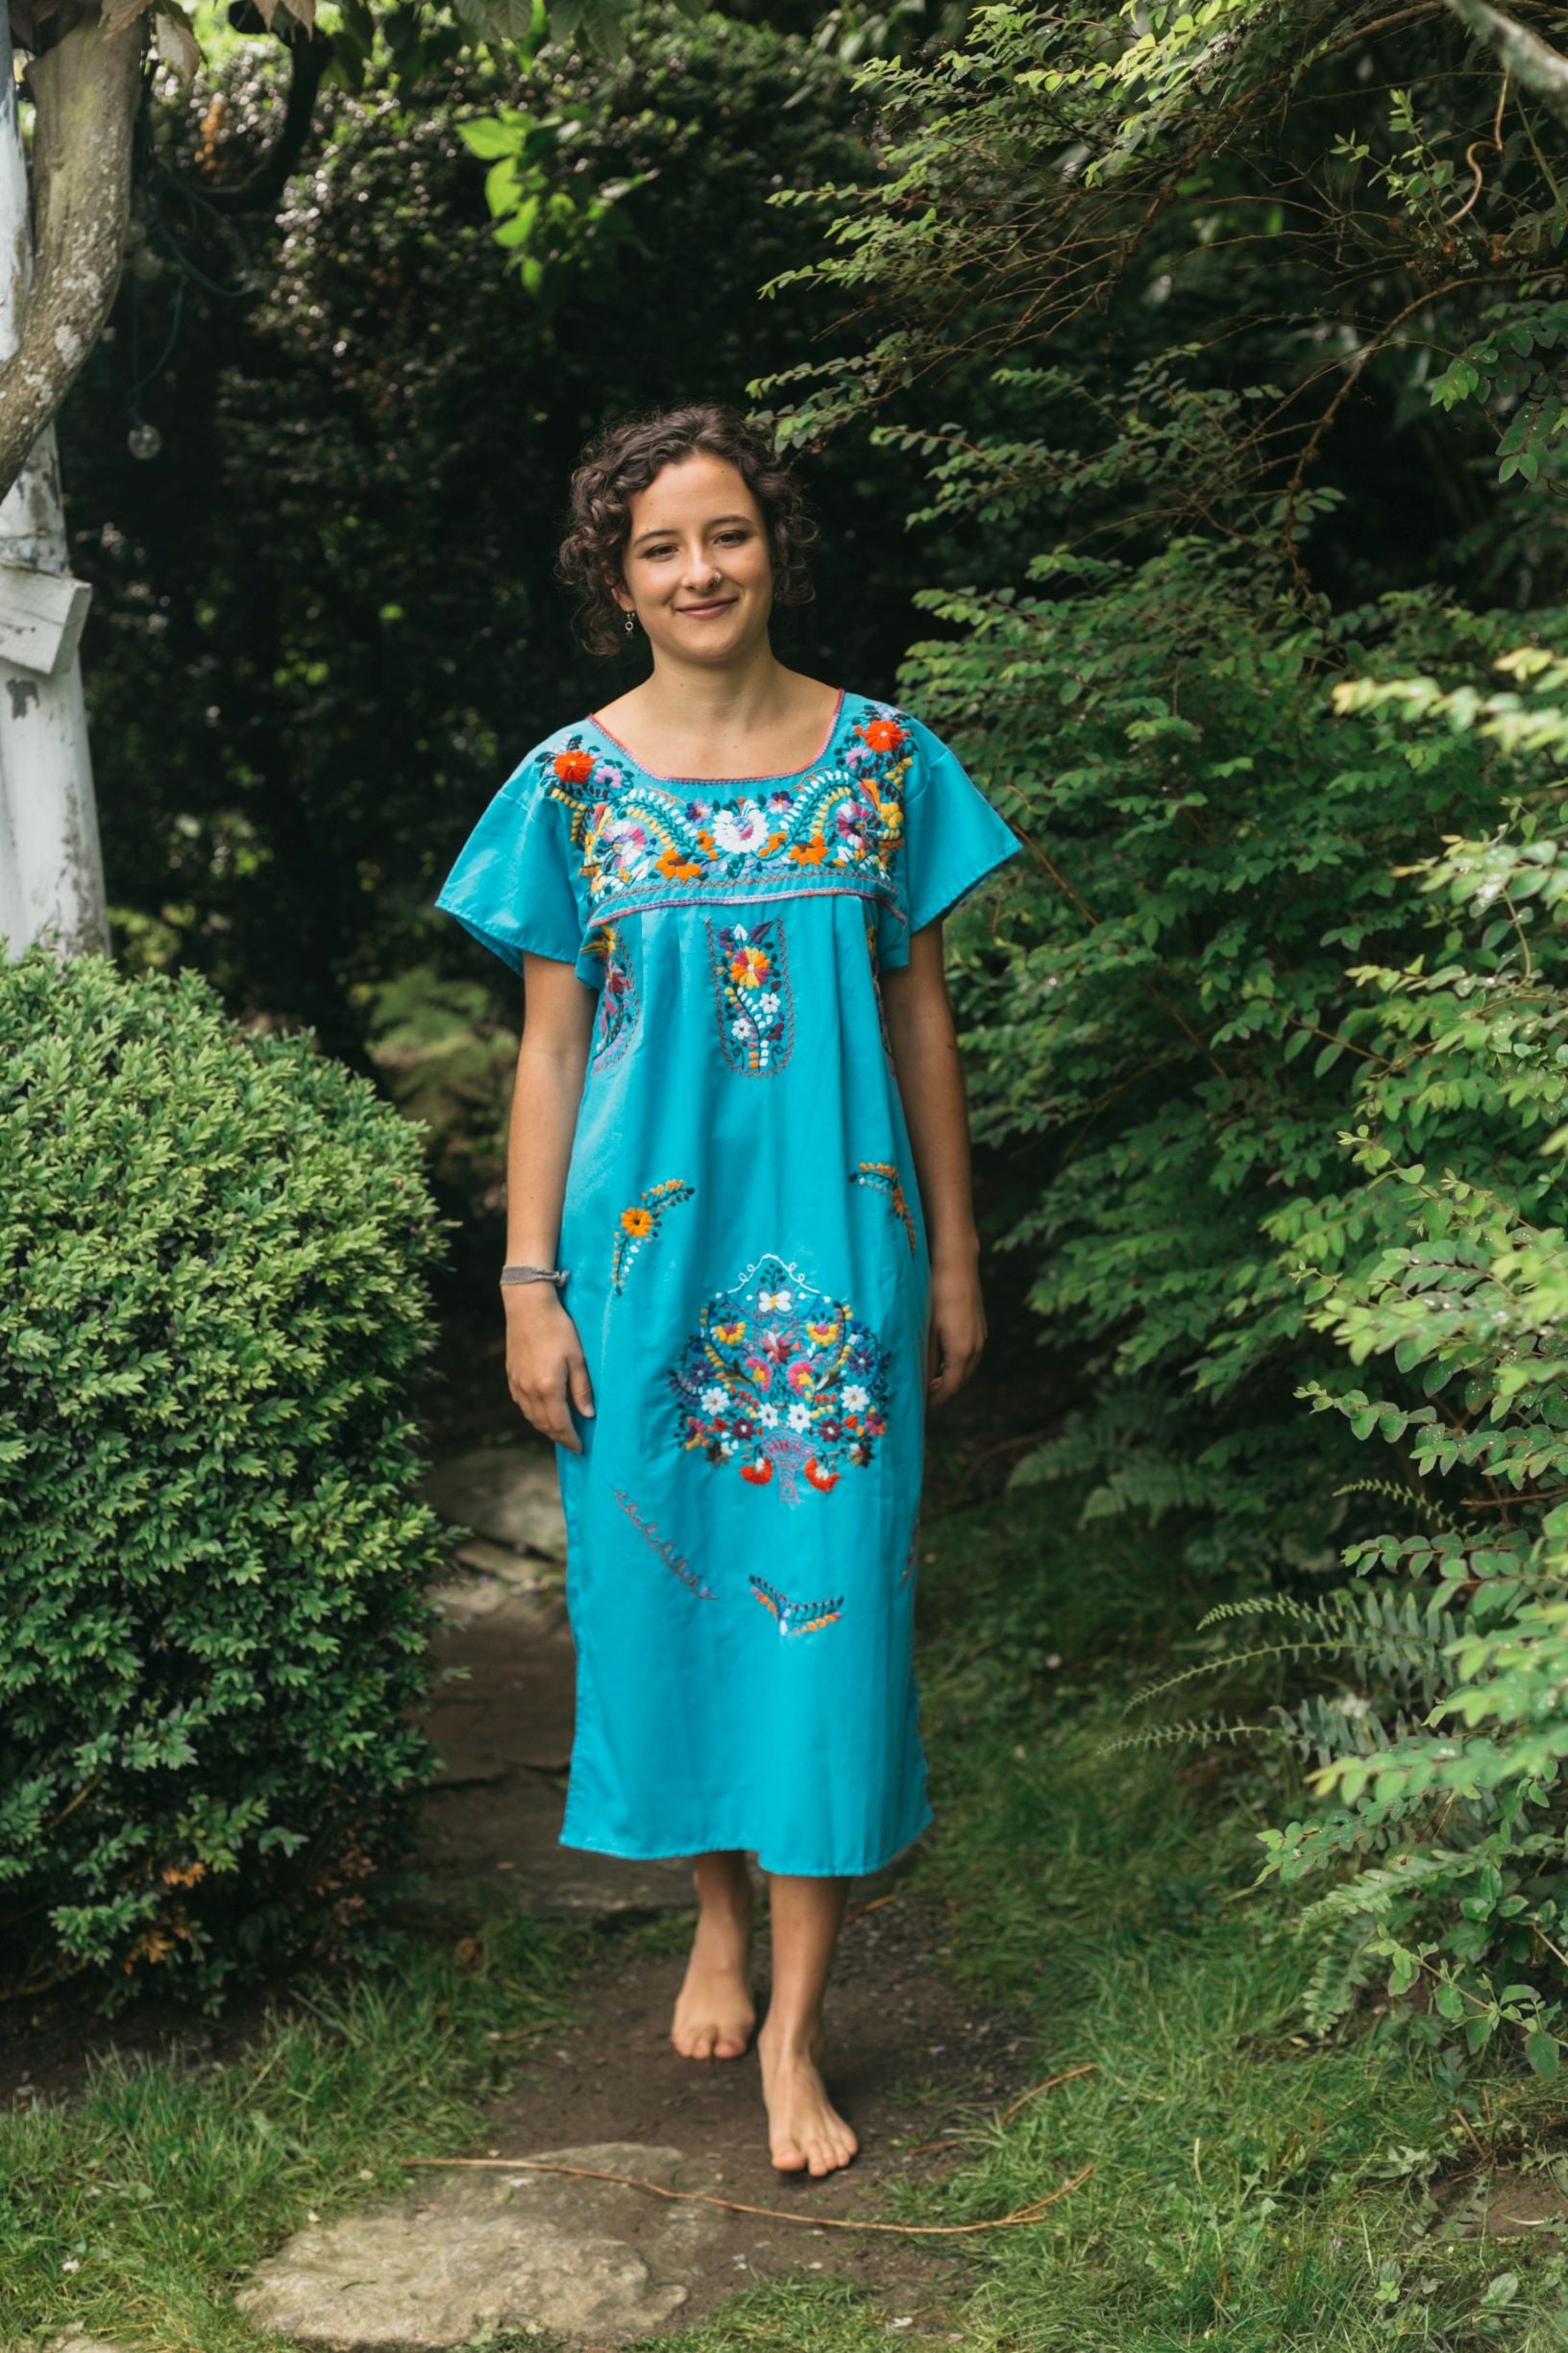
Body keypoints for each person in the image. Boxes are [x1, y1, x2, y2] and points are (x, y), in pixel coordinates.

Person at [434, 401, 1022, 2178]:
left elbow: (919, 1012)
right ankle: (712, 1909)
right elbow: (547, 1056)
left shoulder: (885, 761)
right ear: (616, 581)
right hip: (638, 1264)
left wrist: (961, 1247)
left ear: (777, 547)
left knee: (833, 1618)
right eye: (660, 546)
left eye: (729, 534)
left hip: (844, 1265)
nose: (701, 570)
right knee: (667, 1587)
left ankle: (796, 2026)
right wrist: (529, 1280)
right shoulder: (571, 784)